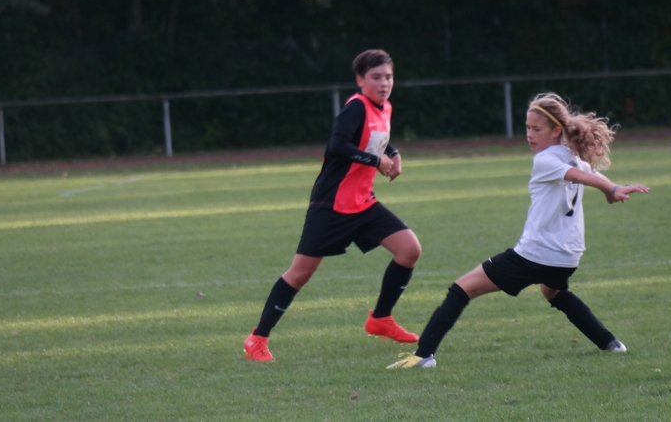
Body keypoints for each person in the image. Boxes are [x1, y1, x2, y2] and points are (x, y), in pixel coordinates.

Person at [387, 92, 649, 369]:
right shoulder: (574, 157)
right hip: (567, 256)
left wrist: (612, 188)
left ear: (556, 130)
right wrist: (611, 190)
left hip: (536, 254)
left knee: (461, 289)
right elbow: (591, 176)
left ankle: (423, 356)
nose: (530, 135)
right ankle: (610, 343)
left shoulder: (546, 160)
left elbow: (580, 177)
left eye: (537, 129)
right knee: (554, 292)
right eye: (527, 128)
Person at [244, 49, 422, 361]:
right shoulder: (356, 106)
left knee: (409, 249)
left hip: (363, 202)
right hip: (332, 204)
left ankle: (381, 319)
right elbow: (338, 144)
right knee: (300, 273)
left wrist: (393, 153)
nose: (384, 83)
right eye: (376, 77)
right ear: (360, 80)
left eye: (388, 77)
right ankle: (257, 339)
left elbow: (374, 138)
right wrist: (375, 161)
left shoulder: (384, 107)